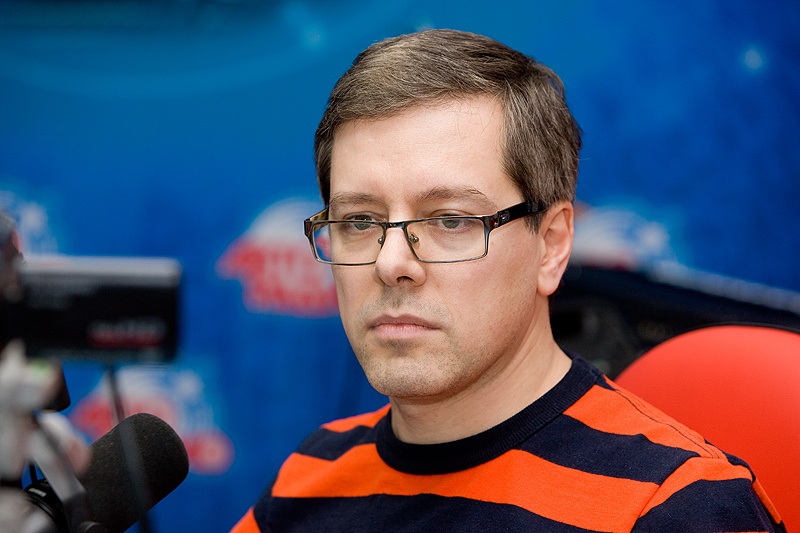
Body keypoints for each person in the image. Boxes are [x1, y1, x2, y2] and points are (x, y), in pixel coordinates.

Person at [230, 29, 785, 532]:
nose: (390, 262)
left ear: (551, 245)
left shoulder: (674, 509)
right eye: (359, 222)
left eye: (450, 220)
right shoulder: (307, 481)